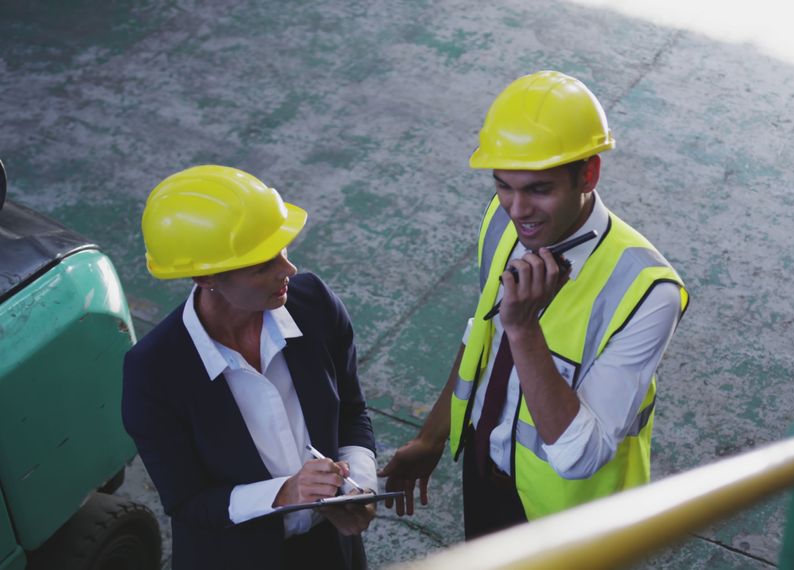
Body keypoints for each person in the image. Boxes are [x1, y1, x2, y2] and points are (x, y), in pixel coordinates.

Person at [379, 70, 690, 539]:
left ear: (589, 173)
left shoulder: (647, 292)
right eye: (503, 185)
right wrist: (431, 436)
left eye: (539, 190)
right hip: (486, 475)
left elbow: (581, 454)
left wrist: (524, 329)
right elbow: (480, 337)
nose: (517, 209)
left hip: (569, 524)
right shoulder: (503, 222)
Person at [122, 165, 377, 570]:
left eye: (283, 250)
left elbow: (351, 410)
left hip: (334, 553)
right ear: (205, 276)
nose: (287, 270)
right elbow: (187, 501)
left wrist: (359, 486)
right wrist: (285, 493)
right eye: (262, 264)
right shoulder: (153, 372)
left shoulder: (315, 305)